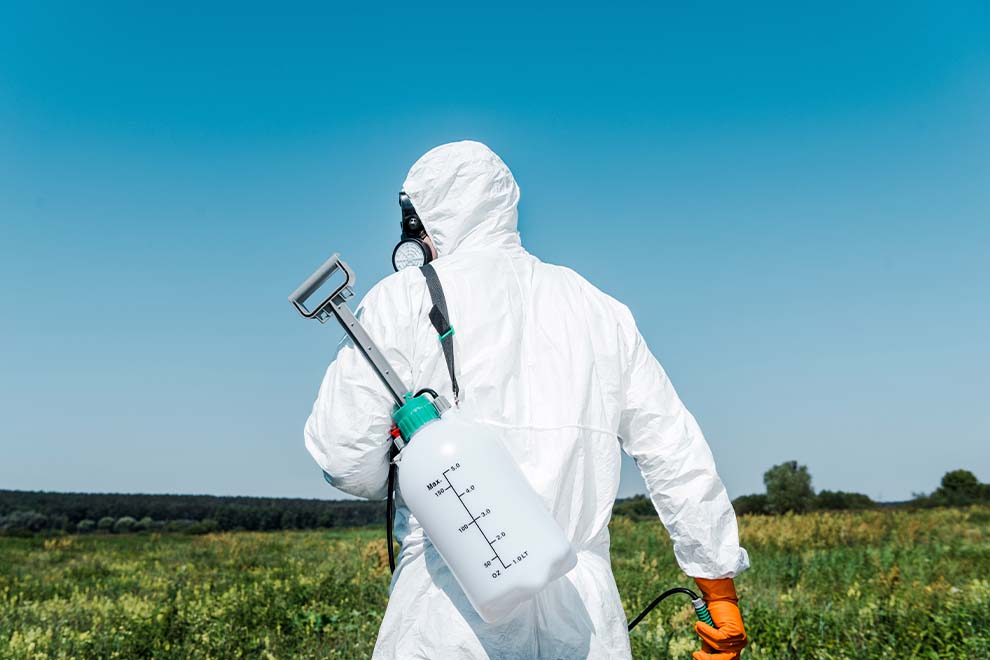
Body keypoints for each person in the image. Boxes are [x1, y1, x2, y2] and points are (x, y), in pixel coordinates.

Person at [304, 140, 749, 659]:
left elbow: (346, 463)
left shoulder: (401, 298)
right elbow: (675, 453)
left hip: (452, 610)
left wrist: (411, 460)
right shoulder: (600, 309)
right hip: (583, 621)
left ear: (418, 220)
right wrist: (718, 589)